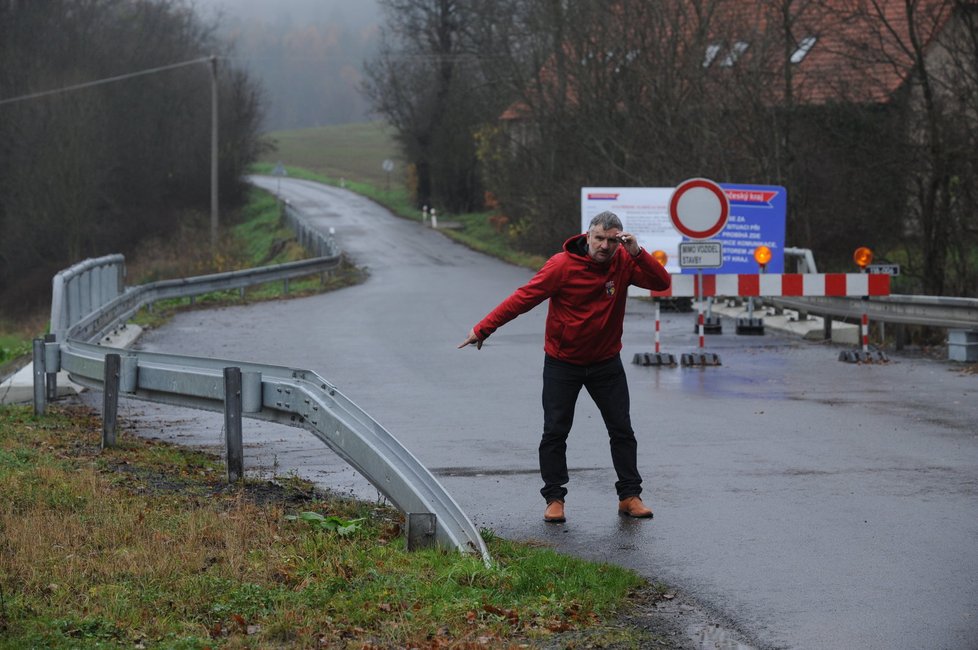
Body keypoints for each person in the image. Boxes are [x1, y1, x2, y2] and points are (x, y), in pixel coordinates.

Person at [458, 211, 671, 523]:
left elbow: (661, 283)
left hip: (606, 362)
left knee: (622, 429)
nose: (605, 246)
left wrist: (637, 252)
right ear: (587, 236)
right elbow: (523, 298)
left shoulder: (624, 262)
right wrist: (484, 328)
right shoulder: (562, 265)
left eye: (613, 241)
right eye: (599, 238)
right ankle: (554, 498)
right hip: (563, 362)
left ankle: (629, 496)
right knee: (555, 431)